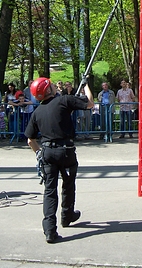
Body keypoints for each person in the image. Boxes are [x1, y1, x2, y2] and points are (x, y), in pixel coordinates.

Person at [25, 77, 94, 244]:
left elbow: (30, 140)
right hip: (66, 151)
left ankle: (49, 230)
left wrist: (39, 153)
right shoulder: (63, 101)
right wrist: (85, 86)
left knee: (50, 190)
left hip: (48, 152)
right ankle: (67, 215)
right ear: (48, 90)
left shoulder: (37, 112)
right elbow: (90, 103)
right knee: (68, 185)